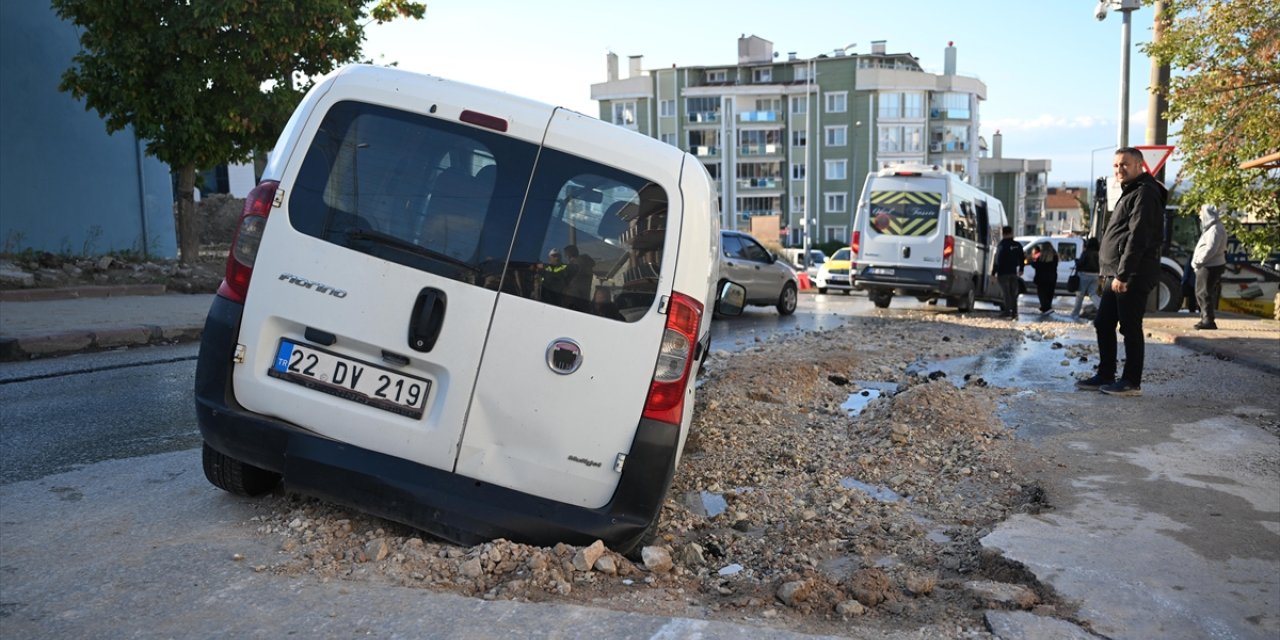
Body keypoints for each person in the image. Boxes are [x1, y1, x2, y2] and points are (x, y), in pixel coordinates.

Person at [1077, 147, 1167, 397]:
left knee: (1129, 327)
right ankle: (1106, 374)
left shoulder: (1145, 193)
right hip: (1116, 272)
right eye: (1116, 165)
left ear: (1140, 165)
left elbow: (1138, 237)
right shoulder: (1132, 191)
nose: (1119, 169)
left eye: (1125, 164)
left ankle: (1131, 381)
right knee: (1103, 323)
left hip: (1132, 273)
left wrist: (1124, 274)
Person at [1191, 204, 1228, 330]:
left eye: (1201, 213)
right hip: (1208, 265)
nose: (1200, 216)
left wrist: (1199, 261)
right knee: (1202, 292)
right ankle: (1205, 318)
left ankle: (1208, 320)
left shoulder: (1215, 229)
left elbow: (1211, 249)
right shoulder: (1212, 228)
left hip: (1209, 265)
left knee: (1204, 292)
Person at [991, 226, 1025, 319]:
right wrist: (1021, 269)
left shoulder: (1001, 245)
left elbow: (997, 259)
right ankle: (1014, 312)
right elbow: (1022, 257)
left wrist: (993, 273)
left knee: (1006, 293)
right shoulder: (1017, 245)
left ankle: (1007, 311)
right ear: (1011, 233)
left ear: (1003, 233)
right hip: (1013, 272)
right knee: (1013, 293)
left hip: (1003, 273)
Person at [1070, 238, 1101, 322]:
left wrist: (1077, 261)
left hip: (1084, 275)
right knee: (1093, 294)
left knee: (1080, 295)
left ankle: (1075, 314)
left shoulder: (1086, 253)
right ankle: (1101, 309)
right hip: (1095, 275)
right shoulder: (1099, 254)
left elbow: (1080, 263)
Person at [1029, 241, 1059, 314]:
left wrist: (1032, 262)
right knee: (1050, 293)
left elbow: (1037, 265)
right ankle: (1047, 306)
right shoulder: (1055, 256)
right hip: (1052, 277)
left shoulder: (1041, 257)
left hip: (1042, 278)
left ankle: (1046, 307)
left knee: (1042, 293)